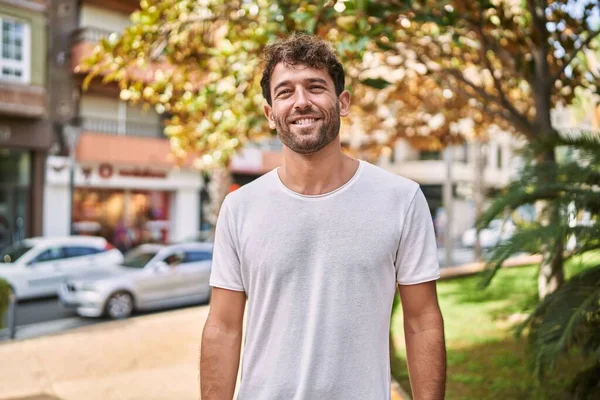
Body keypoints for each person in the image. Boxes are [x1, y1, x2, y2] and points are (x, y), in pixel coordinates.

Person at [200, 33, 446, 400]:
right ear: (270, 114)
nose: (301, 102)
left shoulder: (401, 199)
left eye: (315, 87)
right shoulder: (240, 208)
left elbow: (422, 320)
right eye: (285, 92)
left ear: (342, 102)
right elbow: (222, 327)